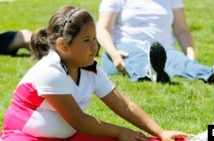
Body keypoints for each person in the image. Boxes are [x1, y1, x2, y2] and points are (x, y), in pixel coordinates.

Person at [0, 5, 188, 141]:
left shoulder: (91, 70)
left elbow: (125, 106)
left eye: (94, 39)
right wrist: (119, 131)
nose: (94, 46)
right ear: (63, 45)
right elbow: (79, 120)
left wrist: (160, 132)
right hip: (22, 137)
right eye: (86, 40)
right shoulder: (49, 71)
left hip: (70, 136)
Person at [96, 0, 214, 87]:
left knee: (179, 62)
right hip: (124, 47)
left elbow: (182, 30)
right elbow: (103, 27)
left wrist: (189, 58)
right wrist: (113, 53)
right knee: (137, 59)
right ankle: (149, 71)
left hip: (163, 50)